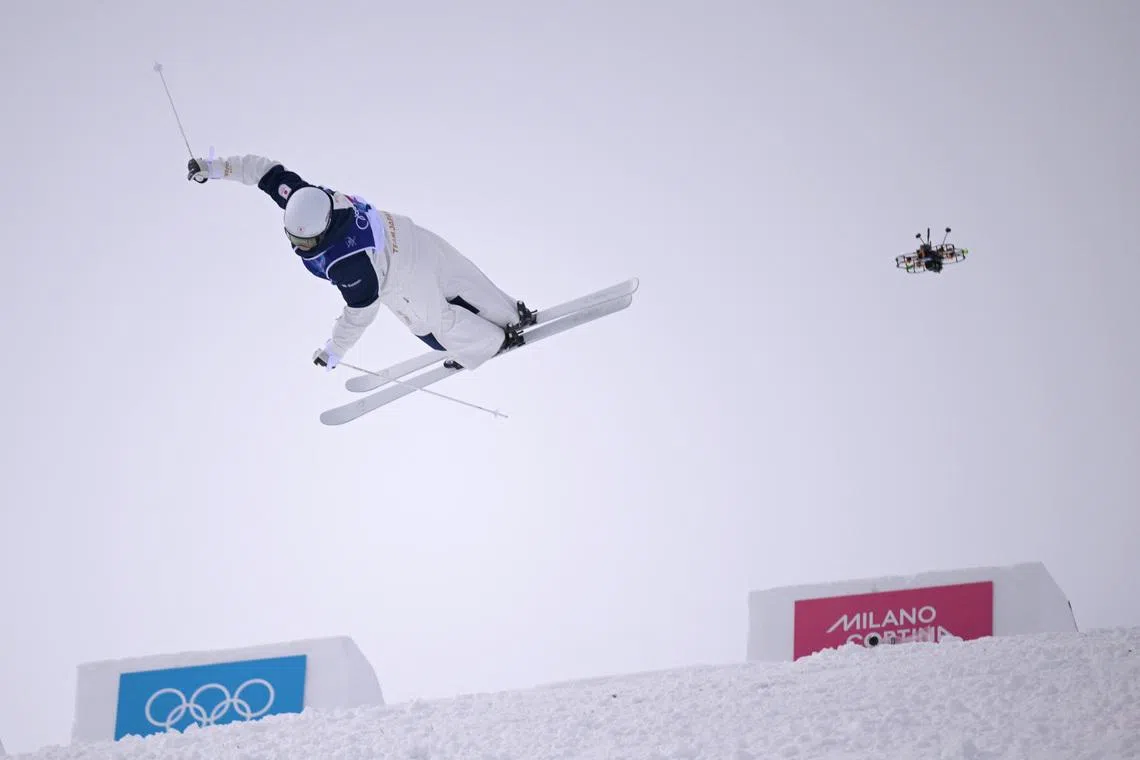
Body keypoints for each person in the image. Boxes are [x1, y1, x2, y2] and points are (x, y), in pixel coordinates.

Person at [186, 154, 536, 371]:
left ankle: (492, 342)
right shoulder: (303, 198)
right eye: (295, 238)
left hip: (401, 275)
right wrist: (213, 168)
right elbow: (260, 170)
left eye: (305, 241)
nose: (299, 246)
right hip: (408, 234)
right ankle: (509, 311)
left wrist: (333, 351)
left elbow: (360, 314)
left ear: (322, 230)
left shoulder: (347, 263)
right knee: (462, 278)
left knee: (435, 326)